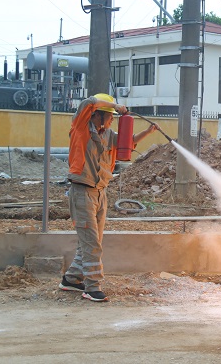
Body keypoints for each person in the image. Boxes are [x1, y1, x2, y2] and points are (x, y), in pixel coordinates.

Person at [59, 93, 158, 302]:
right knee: (91, 242)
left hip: (100, 191)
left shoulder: (107, 134)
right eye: (110, 115)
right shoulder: (80, 128)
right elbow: (88, 103)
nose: (113, 119)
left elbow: (126, 143)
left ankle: (71, 279)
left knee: (91, 241)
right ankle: (92, 287)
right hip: (82, 191)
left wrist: (148, 132)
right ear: (97, 115)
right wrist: (117, 105)